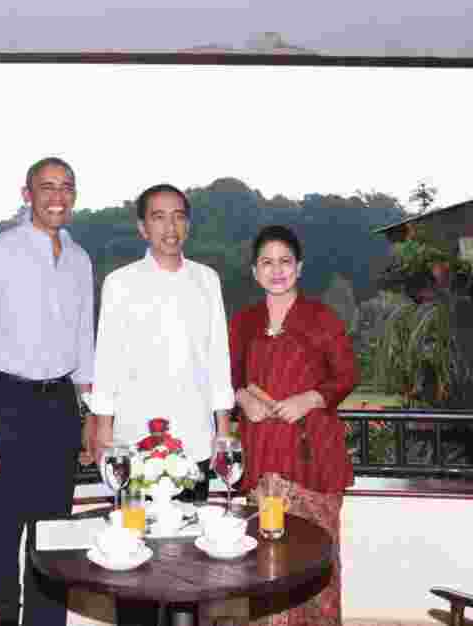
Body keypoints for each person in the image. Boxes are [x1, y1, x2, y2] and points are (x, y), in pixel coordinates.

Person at [0, 157, 95, 626]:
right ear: (26, 194)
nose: (58, 196)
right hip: (3, 404)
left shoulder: (79, 259)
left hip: (58, 411)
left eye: (66, 187)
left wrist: (91, 417)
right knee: (1, 543)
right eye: (46, 187)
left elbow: (84, 348)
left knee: (52, 545)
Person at [88, 183, 233, 626]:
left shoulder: (206, 280)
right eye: (158, 216)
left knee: (193, 570)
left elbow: (218, 361)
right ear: (142, 227)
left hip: (194, 448)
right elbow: (107, 362)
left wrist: (223, 433)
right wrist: (106, 439)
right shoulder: (121, 283)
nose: (170, 226)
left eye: (178, 216)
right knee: (133, 570)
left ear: (187, 223)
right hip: (134, 452)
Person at [228, 225, 358, 626]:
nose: (277, 270)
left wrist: (310, 399)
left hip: (311, 456)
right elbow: (227, 378)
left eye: (285, 261)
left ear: (299, 268)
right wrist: (242, 399)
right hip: (261, 451)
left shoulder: (321, 317)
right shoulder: (244, 322)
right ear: (254, 272)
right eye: (267, 262)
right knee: (263, 564)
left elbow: (347, 374)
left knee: (313, 560)